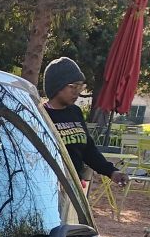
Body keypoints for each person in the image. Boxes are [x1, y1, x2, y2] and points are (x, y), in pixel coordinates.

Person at [43, 56, 128, 188]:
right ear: (57, 86)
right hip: (49, 186)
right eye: (73, 87)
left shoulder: (75, 112)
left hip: (73, 187)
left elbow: (88, 149)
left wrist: (111, 171)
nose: (77, 93)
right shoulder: (42, 114)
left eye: (80, 87)